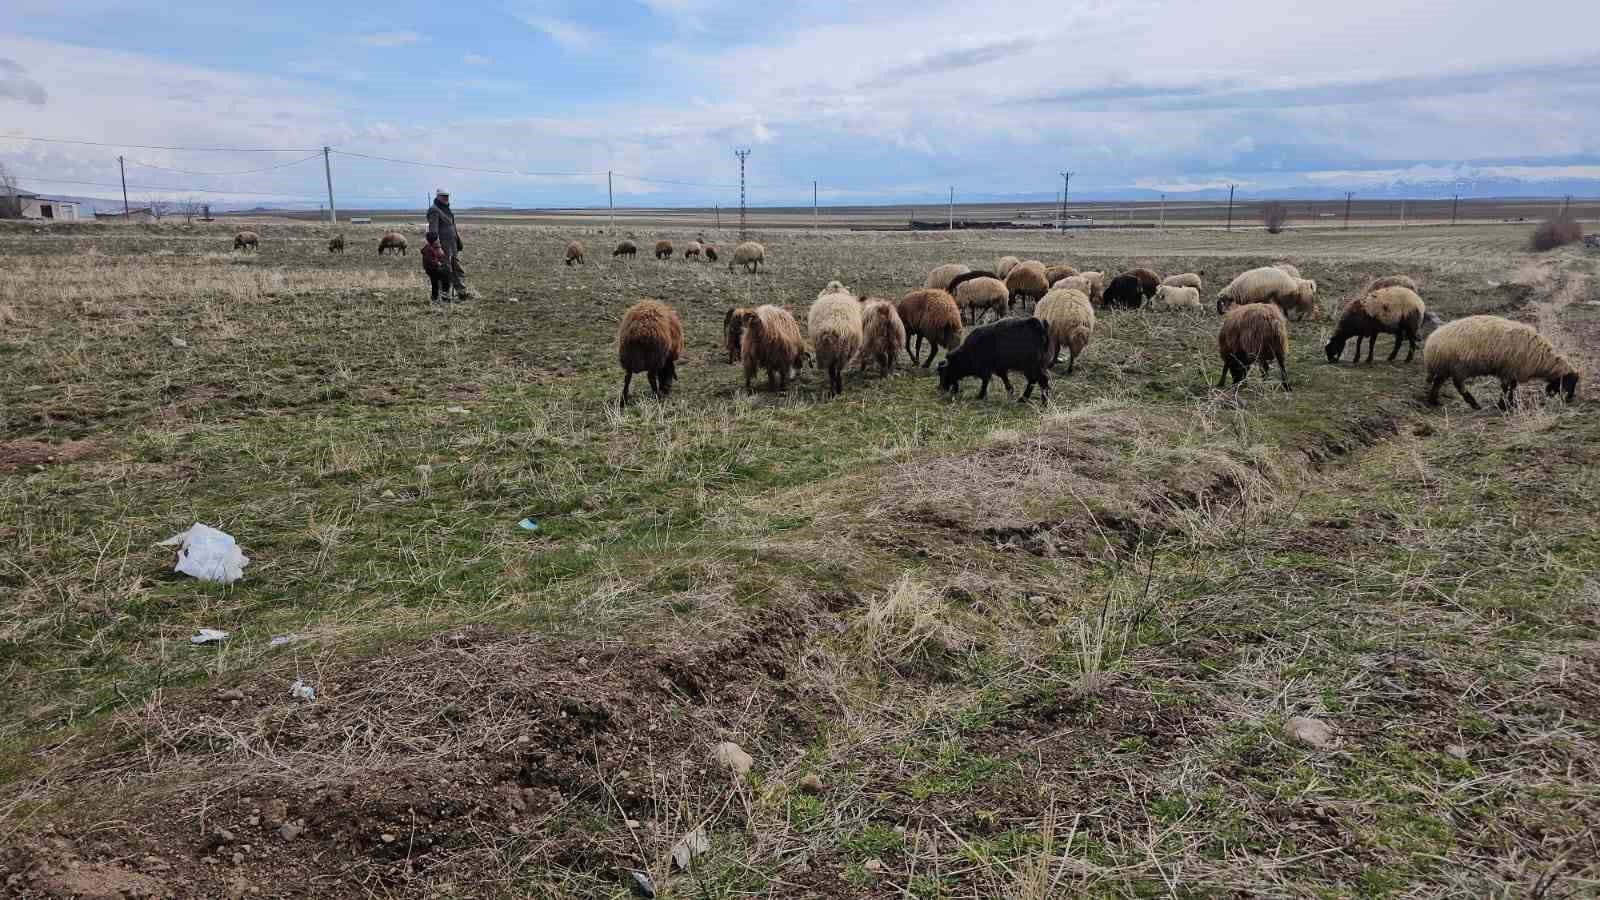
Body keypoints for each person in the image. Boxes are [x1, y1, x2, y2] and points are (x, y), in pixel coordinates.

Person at [426, 188, 467, 297]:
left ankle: (461, 292)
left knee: (457, 270)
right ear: (438, 196)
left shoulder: (446, 210)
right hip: (443, 248)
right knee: (445, 271)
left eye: (447, 196)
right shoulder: (434, 210)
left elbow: (452, 227)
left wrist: (458, 241)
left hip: (452, 246)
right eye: (443, 196)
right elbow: (432, 233)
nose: (446, 198)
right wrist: (437, 248)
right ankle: (443, 295)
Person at [421, 230, 450, 303]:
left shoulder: (431, 247)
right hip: (433, 269)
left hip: (431, 269)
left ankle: (435, 298)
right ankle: (444, 296)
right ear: (435, 240)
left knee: (435, 283)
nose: (438, 239)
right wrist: (438, 263)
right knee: (446, 278)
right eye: (437, 238)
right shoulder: (429, 249)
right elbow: (430, 260)